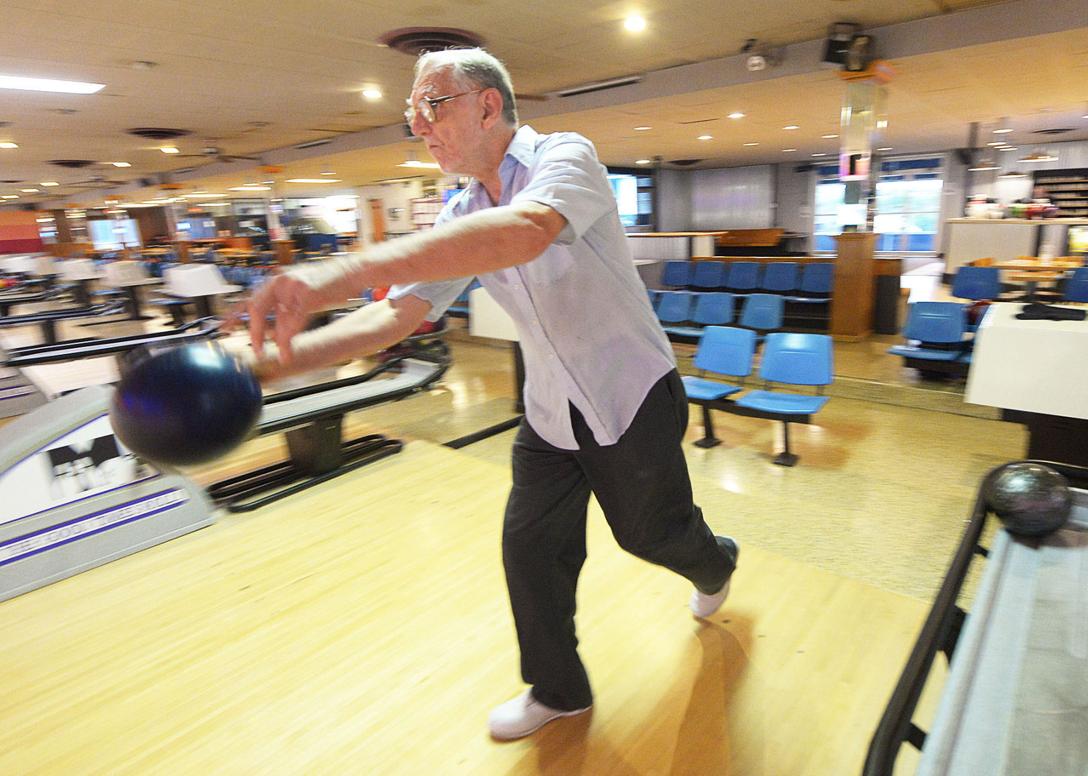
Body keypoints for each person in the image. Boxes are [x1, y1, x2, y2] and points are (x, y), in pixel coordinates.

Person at [241, 47, 739, 740]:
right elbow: (399, 314)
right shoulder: (461, 208)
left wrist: (342, 271)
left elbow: (526, 232)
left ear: (486, 104)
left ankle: (717, 561)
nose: (419, 126)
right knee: (529, 547)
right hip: (550, 409)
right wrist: (271, 365)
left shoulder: (566, 157)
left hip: (629, 393)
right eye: (412, 113)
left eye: (431, 106)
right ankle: (557, 690)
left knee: (649, 535)